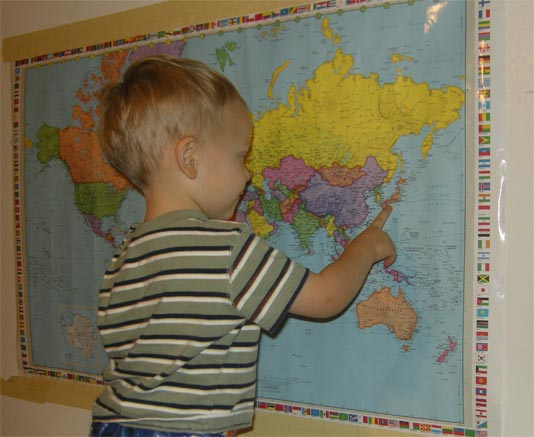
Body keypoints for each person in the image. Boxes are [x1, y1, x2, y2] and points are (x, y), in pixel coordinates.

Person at [90, 55, 396, 437]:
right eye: (240, 156)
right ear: (189, 158)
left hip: (112, 426)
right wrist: (366, 247)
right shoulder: (225, 251)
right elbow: (326, 297)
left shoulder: (123, 258)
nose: (249, 174)